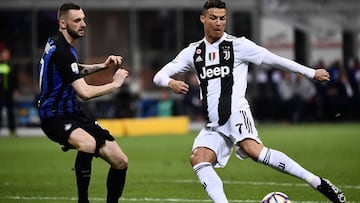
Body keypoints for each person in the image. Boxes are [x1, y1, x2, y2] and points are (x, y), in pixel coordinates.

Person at [153, 0, 346, 202]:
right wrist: (170, 83)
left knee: (253, 150)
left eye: (222, 18)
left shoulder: (238, 46)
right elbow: (158, 76)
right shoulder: (193, 52)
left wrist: (311, 72)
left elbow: (276, 60)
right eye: (213, 18)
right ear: (203, 19)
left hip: (236, 113)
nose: (218, 23)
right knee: (198, 159)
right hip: (214, 123)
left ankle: (317, 182)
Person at [37, 3, 129, 203]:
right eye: (77, 20)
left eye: (84, 19)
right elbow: (85, 92)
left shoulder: (58, 42)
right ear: (63, 23)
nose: (83, 24)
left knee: (120, 161)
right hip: (54, 115)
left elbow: (72, 68)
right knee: (88, 143)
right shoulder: (63, 50)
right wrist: (115, 84)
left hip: (74, 113)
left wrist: (102, 66)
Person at [0, 48, 17, 136]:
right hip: (1, 91)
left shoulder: (11, 65)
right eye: (4, 54)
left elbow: (15, 79)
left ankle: (12, 130)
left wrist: (15, 90)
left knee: (10, 111)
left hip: (9, 92)